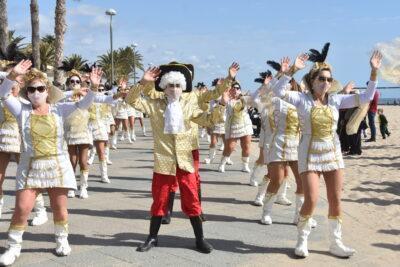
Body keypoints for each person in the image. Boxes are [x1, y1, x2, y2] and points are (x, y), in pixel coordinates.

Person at [273, 44, 382, 258]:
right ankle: (302, 240)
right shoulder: (301, 99)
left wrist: (373, 71)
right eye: (321, 79)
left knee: (336, 200)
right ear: (312, 81)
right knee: (312, 199)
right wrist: (292, 70)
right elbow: (278, 92)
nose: (325, 82)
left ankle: (336, 243)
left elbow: (368, 96)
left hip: (333, 154)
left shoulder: (336, 100)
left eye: (329, 79)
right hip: (309, 154)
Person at [0, 60, 102, 265]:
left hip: (58, 165)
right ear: (26, 92)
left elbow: (84, 104)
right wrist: (12, 75)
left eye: (40, 88)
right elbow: (3, 94)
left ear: (47, 90)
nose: (35, 92)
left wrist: (93, 87)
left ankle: (61, 240)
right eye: (31, 89)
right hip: (30, 167)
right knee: (22, 208)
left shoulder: (59, 109)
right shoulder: (22, 110)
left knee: (59, 208)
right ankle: (13, 246)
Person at [126, 62, 228, 254]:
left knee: (191, 198)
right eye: (170, 85)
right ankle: (152, 237)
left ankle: (200, 239)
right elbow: (130, 101)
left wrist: (221, 105)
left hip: (185, 160)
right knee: (159, 199)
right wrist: (142, 82)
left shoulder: (189, 108)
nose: (174, 89)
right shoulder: (154, 105)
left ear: (183, 87)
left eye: (178, 85)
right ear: (164, 87)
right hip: (164, 160)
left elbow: (209, 120)